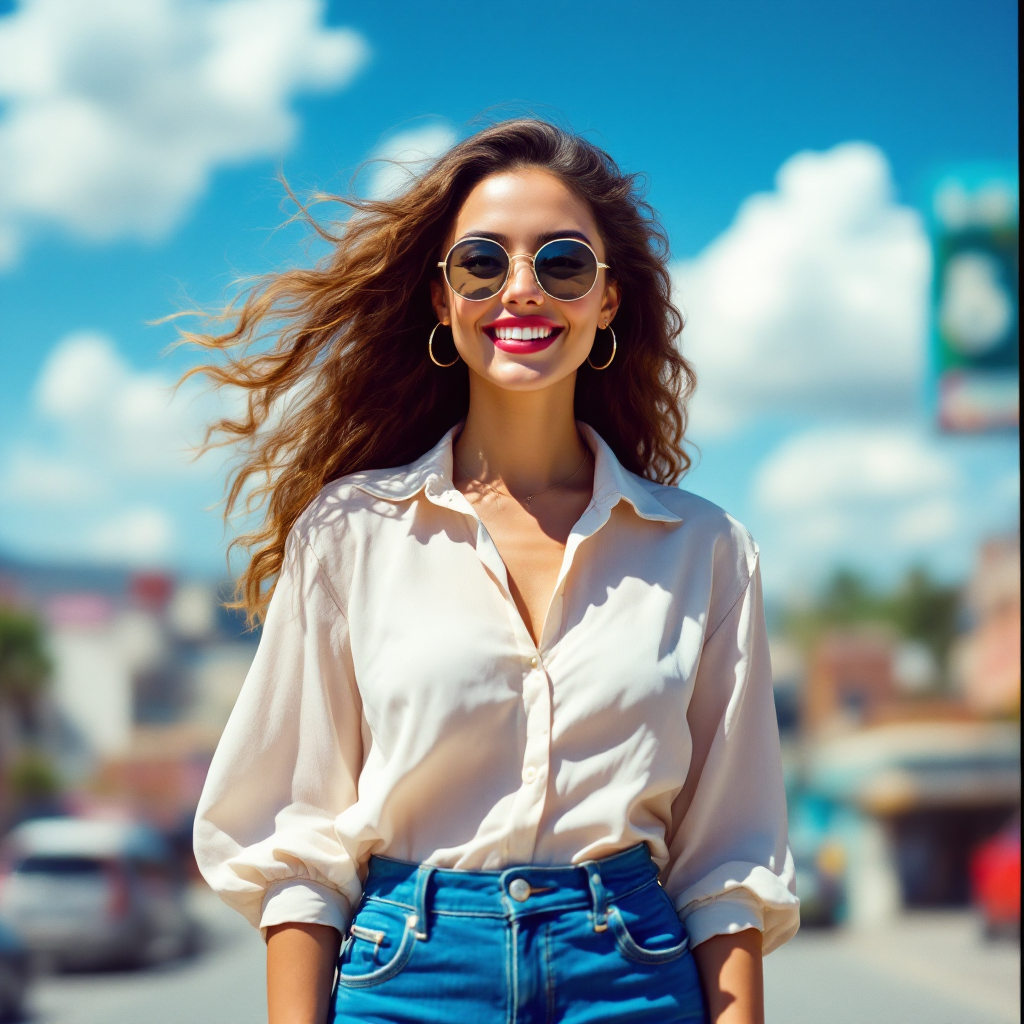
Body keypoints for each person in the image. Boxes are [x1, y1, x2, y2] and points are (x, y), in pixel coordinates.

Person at [192, 119, 798, 1024]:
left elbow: (728, 859)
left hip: (632, 976)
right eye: (482, 262)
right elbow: (298, 840)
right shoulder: (351, 534)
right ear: (442, 301)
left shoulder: (706, 550)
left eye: (562, 263)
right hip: (408, 979)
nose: (523, 289)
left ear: (608, 300)